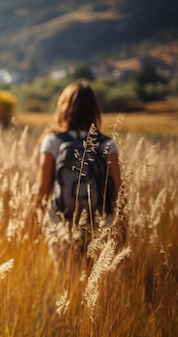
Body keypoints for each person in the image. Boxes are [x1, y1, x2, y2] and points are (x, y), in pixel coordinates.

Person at [36, 80, 122, 262]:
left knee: (67, 281)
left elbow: (43, 189)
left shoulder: (52, 141)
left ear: (64, 107)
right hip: (99, 223)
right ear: (94, 110)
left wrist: (36, 224)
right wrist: (122, 229)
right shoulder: (106, 144)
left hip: (62, 224)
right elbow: (119, 192)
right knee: (96, 282)